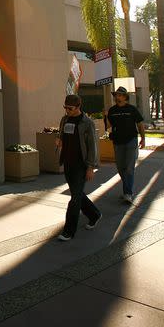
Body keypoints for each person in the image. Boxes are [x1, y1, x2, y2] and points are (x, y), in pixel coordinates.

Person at [55, 95, 101, 241]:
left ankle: (68, 231)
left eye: (70, 108)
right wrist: (59, 140)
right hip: (68, 163)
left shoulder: (87, 123)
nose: (67, 111)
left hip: (81, 164)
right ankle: (94, 214)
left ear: (78, 107)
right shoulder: (65, 119)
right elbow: (62, 134)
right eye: (65, 108)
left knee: (74, 199)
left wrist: (90, 167)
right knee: (78, 194)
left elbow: (92, 146)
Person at [107, 86, 145, 204]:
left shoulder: (132, 109)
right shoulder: (112, 110)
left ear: (124, 97)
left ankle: (127, 193)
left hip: (131, 141)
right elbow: (109, 126)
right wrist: (106, 119)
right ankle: (127, 190)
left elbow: (140, 124)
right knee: (120, 167)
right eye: (115, 95)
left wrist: (143, 138)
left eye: (119, 95)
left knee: (129, 168)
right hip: (118, 142)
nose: (116, 97)